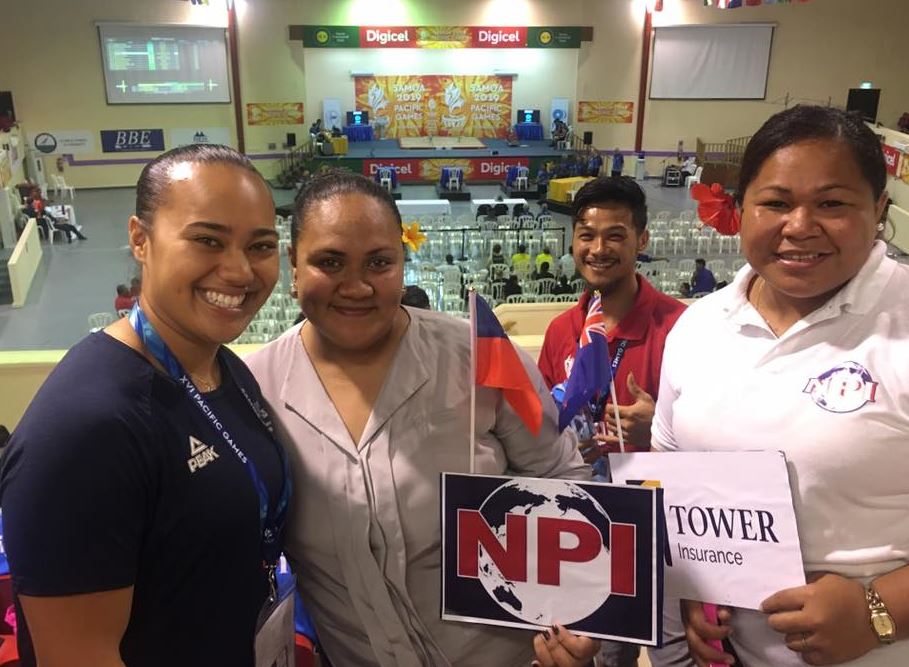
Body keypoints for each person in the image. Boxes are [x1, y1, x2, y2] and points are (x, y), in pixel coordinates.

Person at [243, 171, 596, 667]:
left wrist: (579, 621)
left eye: (379, 263)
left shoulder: (475, 358)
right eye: (329, 262)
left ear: (403, 264)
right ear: (294, 268)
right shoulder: (256, 390)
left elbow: (564, 480)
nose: (356, 286)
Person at [0, 144, 289, 667]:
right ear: (140, 239)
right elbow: (78, 656)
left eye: (261, 246)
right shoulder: (89, 426)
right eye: (208, 240)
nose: (240, 271)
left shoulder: (228, 371)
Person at [658, 105, 909, 667]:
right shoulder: (699, 327)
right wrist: (696, 588)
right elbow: (674, 470)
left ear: (879, 210)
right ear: (739, 209)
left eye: (832, 204)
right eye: (775, 203)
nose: (799, 226)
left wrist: (878, 610)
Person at [537, 176, 689, 667]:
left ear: (642, 240)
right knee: (600, 658)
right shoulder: (564, 330)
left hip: (668, 538)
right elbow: (542, 426)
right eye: (586, 234)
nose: (598, 248)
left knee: (673, 659)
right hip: (590, 533)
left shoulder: (682, 328)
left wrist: (659, 437)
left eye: (615, 235)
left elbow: (718, 442)